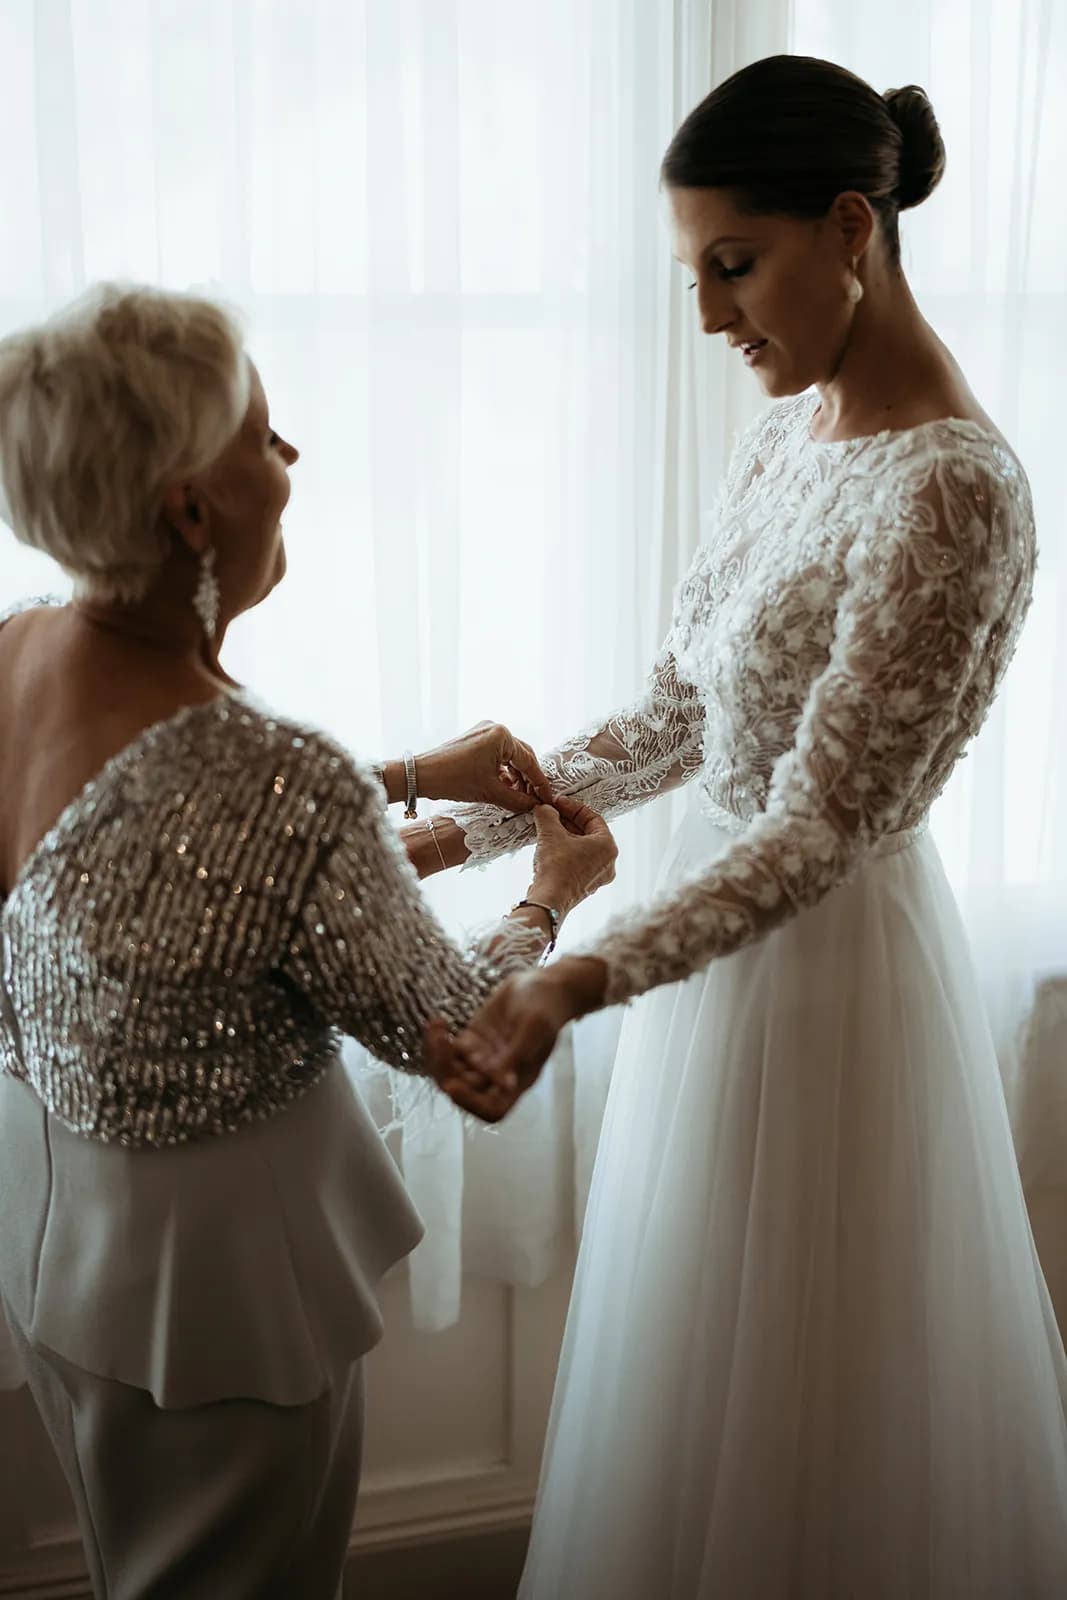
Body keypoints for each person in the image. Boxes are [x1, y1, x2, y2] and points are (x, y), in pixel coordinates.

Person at [424, 55, 1067, 1598]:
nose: (711, 318)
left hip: (828, 972)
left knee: (811, 1386)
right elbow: (682, 710)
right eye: (693, 274)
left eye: (734, 267)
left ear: (854, 227)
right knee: (688, 1366)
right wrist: (465, 838)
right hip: (707, 967)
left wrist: (577, 975)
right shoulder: (789, 428)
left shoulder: (956, 492)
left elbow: (822, 830)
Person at [0, 282, 617, 1600]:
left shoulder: (17, 655)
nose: (291, 463)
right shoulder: (277, 784)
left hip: (57, 1234)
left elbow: (159, 886)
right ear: (191, 508)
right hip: (226, 1294)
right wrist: (552, 894)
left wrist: (406, 773)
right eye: (264, 434)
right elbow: (468, 1051)